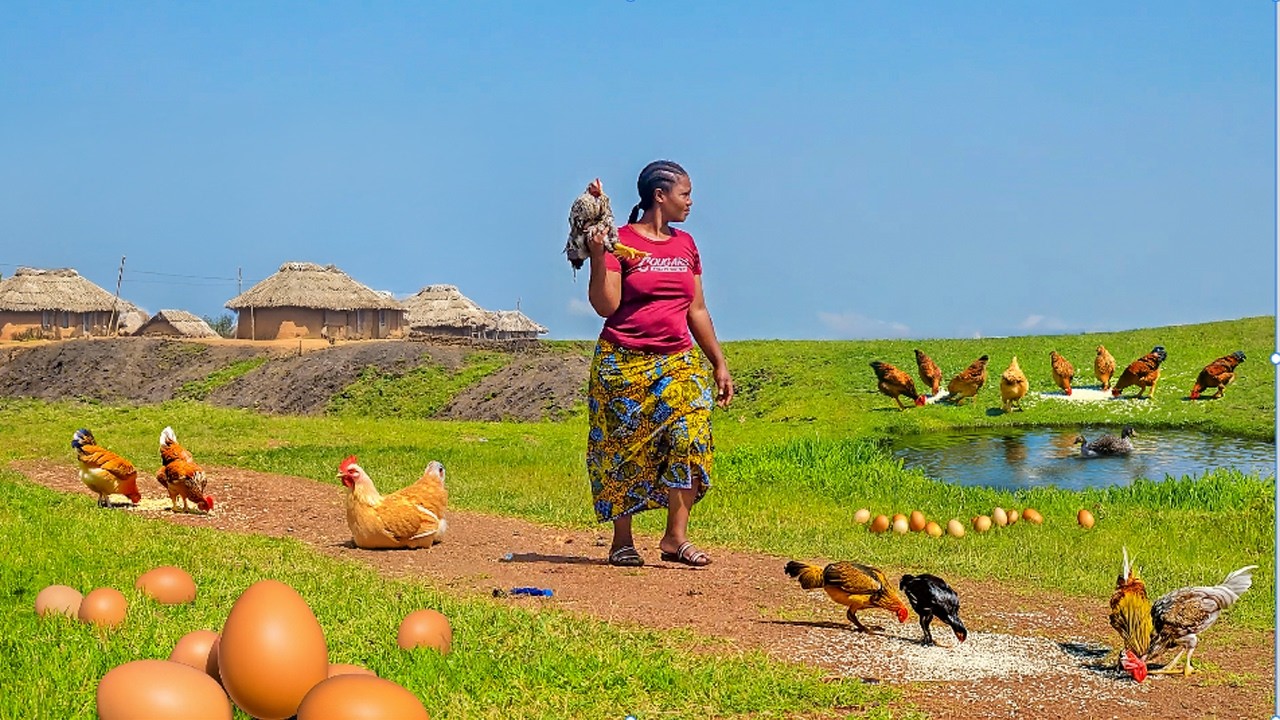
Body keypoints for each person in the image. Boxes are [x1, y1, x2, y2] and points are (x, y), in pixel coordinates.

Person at [584, 160, 733, 568]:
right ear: (659, 196)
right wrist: (599, 255)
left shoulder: (686, 245)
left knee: (690, 434)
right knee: (621, 449)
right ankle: (622, 541)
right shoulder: (621, 241)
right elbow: (606, 305)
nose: (690, 202)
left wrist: (718, 362)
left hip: (677, 361)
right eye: (685, 194)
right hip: (622, 362)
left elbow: (696, 308)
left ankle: (674, 538)